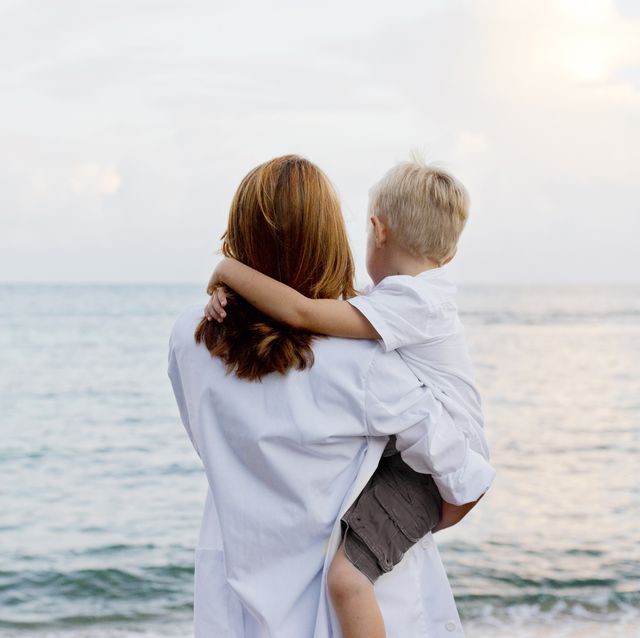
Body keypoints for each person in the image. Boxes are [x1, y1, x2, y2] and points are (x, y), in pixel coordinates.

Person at [168, 154, 495, 638]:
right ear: (328, 238)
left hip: (241, 603)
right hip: (372, 608)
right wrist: (415, 525)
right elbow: (465, 473)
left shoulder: (188, 338)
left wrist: (226, 276)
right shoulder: (365, 363)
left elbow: (212, 440)